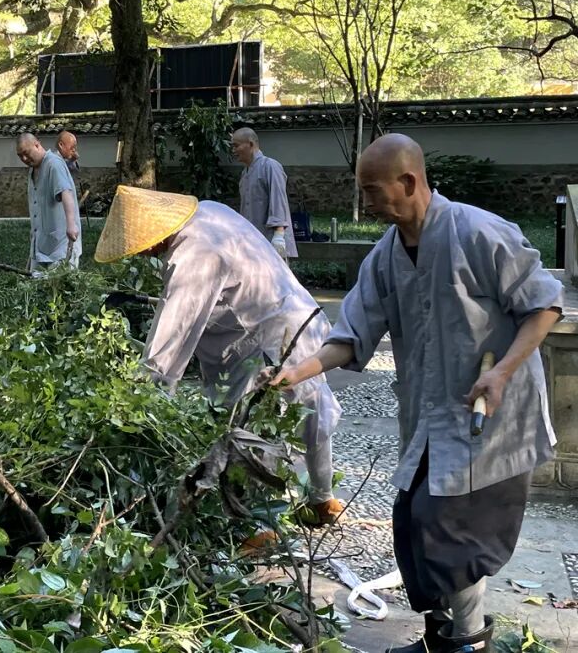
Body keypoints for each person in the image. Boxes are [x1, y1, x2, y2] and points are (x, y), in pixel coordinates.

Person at [269, 134, 562, 653]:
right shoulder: (384, 257)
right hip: (433, 418)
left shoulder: (479, 232)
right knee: (413, 525)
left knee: (453, 534)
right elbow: (352, 334)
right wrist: (300, 371)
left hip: (493, 417)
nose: (366, 202)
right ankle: (440, 639)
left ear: (408, 182)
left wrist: (501, 373)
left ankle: (466, 643)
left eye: (372, 190)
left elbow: (543, 306)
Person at [94, 184, 344, 526]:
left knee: (252, 433)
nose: (141, 254)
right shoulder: (209, 211)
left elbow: (172, 339)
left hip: (265, 340)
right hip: (296, 314)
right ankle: (322, 499)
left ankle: (259, 525)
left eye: (139, 248)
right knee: (311, 411)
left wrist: (142, 401)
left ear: (151, 238)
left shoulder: (194, 255)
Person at [16, 132, 79, 273]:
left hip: (60, 247)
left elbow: (65, 192)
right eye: (20, 156)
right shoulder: (33, 169)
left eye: (26, 153)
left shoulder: (53, 163)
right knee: (36, 291)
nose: (24, 159)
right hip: (41, 246)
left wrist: (71, 225)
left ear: (37, 145)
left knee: (60, 291)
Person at [231, 127, 297, 260]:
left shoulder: (270, 166)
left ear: (250, 144)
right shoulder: (245, 174)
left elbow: (278, 199)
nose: (233, 151)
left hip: (272, 239)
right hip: (252, 240)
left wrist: (279, 235)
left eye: (236, 146)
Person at [56, 130, 83, 265]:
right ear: (61, 145)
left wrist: (72, 159)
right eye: (71, 147)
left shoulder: (64, 162)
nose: (74, 150)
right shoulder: (54, 163)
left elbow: (71, 170)